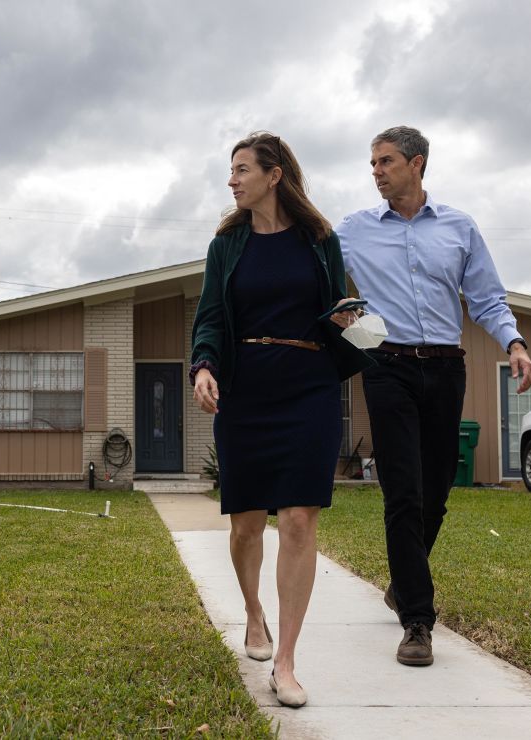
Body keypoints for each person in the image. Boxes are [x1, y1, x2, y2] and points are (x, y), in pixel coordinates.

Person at [332, 125, 531, 667]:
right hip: (386, 364)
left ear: (417, 164)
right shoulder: (353, 229)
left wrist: (513, 343)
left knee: (437, 492)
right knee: (402, 491)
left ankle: (404, 578)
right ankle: (417, 621)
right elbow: (322, 280)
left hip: (446, 368)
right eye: (372, 162)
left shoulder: (459, 228)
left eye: (386, 161)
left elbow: (488, 297)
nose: (375, 171)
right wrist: (352, 322)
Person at [190, 132, 373, 708]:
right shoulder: (227, 244)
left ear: (274, 175)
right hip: (246, 393)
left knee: (298, 518)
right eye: (231, 170)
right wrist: (203, 367)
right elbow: (211, 316)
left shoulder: (321, 240)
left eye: (242, 169)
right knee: (246, 524)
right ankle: (252, 612)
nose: (232, 180)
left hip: (309, 388)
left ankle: (288, 663)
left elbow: (336, 310)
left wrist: (349, 321)